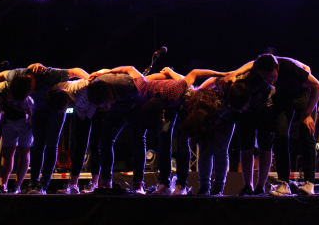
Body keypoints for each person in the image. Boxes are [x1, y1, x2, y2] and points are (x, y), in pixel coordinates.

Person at [90, 66, 229, 195]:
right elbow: (136, 73)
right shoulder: (144, 90)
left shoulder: (175, 92)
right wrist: (107, 71)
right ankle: (164, 184)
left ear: (162, 113)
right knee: (163, 139)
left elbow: (194, 73)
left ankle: (181, 185)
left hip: (182, 105)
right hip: (165, 104)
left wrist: (221, 74)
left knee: (182, 142)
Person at [0, 63, 89, 194]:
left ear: (30, 85)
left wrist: (89, 78)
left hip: (55, 109)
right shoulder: (17, 75)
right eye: (31, 92)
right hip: (37, 109)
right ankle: (33, 184)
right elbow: (2, 74)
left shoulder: (48, 75)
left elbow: (74, 71)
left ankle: (43, 185)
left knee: (51, 144)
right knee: (38, 145)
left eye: (32, 90)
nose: (34, 92)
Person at [224, 53, 319, 196]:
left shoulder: (289, 66)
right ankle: (284, 183)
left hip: (301, 96)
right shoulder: (259, 68)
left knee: (306, 132)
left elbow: (317, 86)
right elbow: (252, 63)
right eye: (265, 78)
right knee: (280, 135)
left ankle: (309, 183)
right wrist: (235, 73)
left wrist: (307, 114)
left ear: (277, 67)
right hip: (282, 100)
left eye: (272, 77)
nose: (270, 81)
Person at [0, 82, 33, 194]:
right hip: (8, 121)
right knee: (7, 152)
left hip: (25, 120)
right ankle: (2, 185)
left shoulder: (19, 99)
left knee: (23, 151)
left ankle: (16, 186)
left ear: (0, 100)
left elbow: (32, 106)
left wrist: (32, 121)